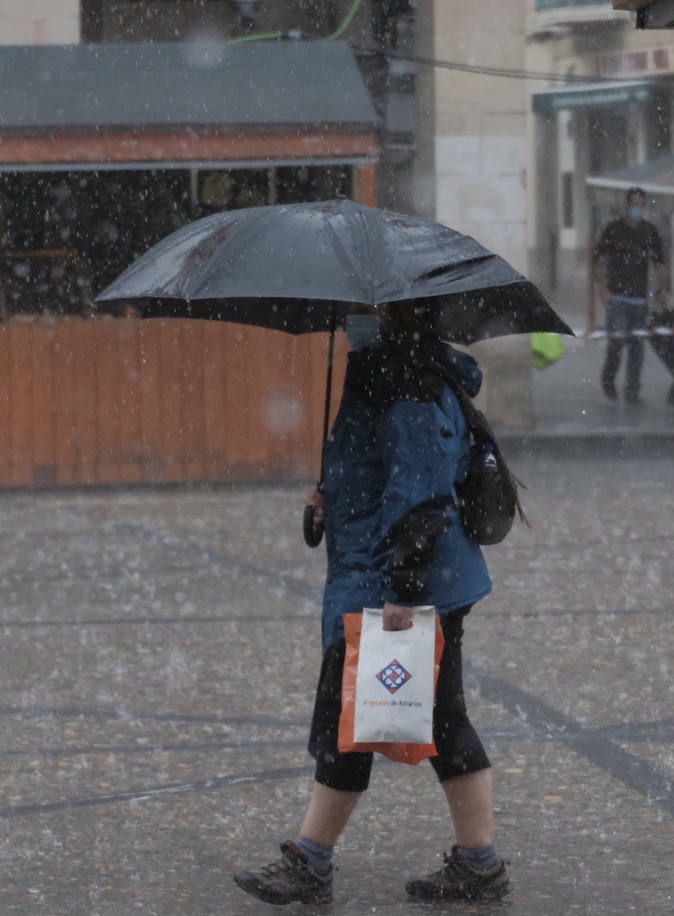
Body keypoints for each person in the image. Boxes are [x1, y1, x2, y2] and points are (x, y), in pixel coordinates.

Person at [233, 307, 510, 906]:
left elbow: (422, 497)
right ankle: (478, 863)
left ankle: (312, 860)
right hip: (390, 577)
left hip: (398, 587)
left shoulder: (410, 384)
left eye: (365, 315)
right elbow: (379, 476)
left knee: (351, 722)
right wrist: (329, 500)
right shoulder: (381, 374)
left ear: (392, 320)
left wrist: (401, 595)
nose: (353, 324)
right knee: (438, 719)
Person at [591, 187, 672, 406]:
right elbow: (598, 260)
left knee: (637, 349)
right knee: (616, 344)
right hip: (617, 298)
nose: (637, 209)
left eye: (641, 205)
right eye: (634, 204)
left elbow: (660, 263)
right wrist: (602, 288)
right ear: (627, 205)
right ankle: (608, 380)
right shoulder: (614, 229)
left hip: (640, 300)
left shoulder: (649, 231)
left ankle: (632, 393)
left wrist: (663, 289)